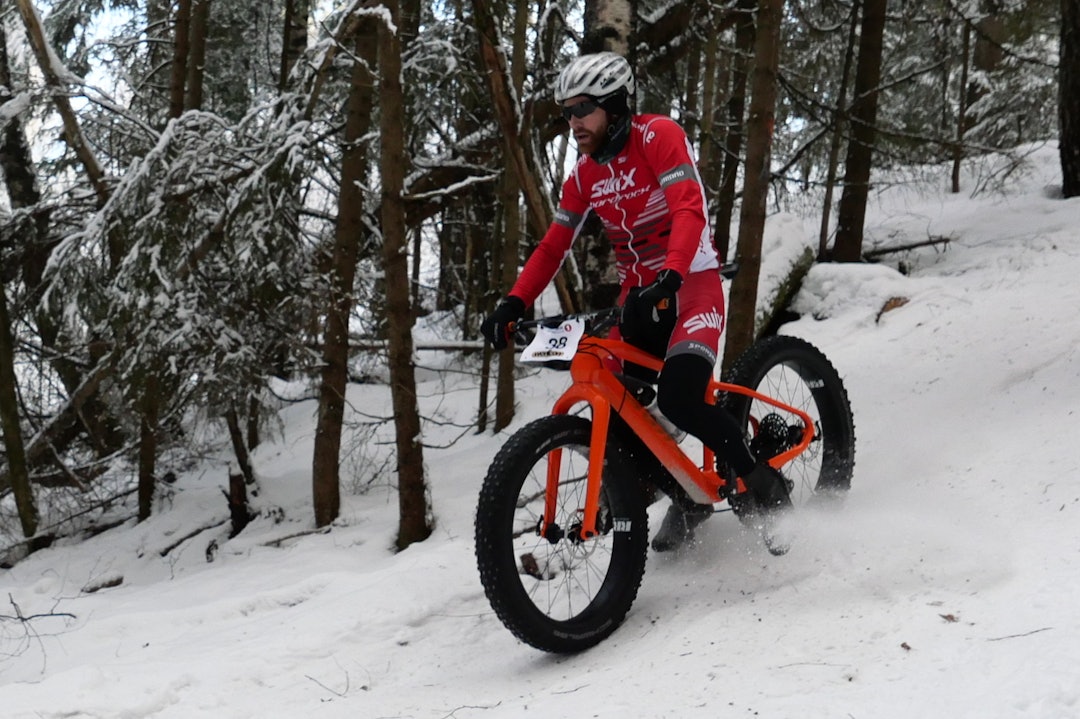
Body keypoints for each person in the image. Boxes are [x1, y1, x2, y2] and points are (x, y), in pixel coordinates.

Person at [480, 52, 792, 552]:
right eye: (566, 112)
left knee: (679, 396)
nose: (574, 121)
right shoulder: (584, 175)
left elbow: (689, 207)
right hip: (639, 300)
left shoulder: (657, 136)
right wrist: (514, 302)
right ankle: (687, 497)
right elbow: (553, 246)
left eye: (583, 108)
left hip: (689, 283)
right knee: (619, 403)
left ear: (615, 104)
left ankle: (764, 487)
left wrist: (670, 274)